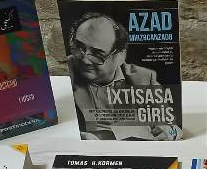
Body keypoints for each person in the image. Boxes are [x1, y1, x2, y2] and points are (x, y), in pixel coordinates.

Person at [68, 12, 181, 140]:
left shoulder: (143, 78)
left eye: (97, 54)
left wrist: (168, 133)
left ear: (120, 56)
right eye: (79, 47)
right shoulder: (68, 72)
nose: (84, 60)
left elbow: (174, 128)